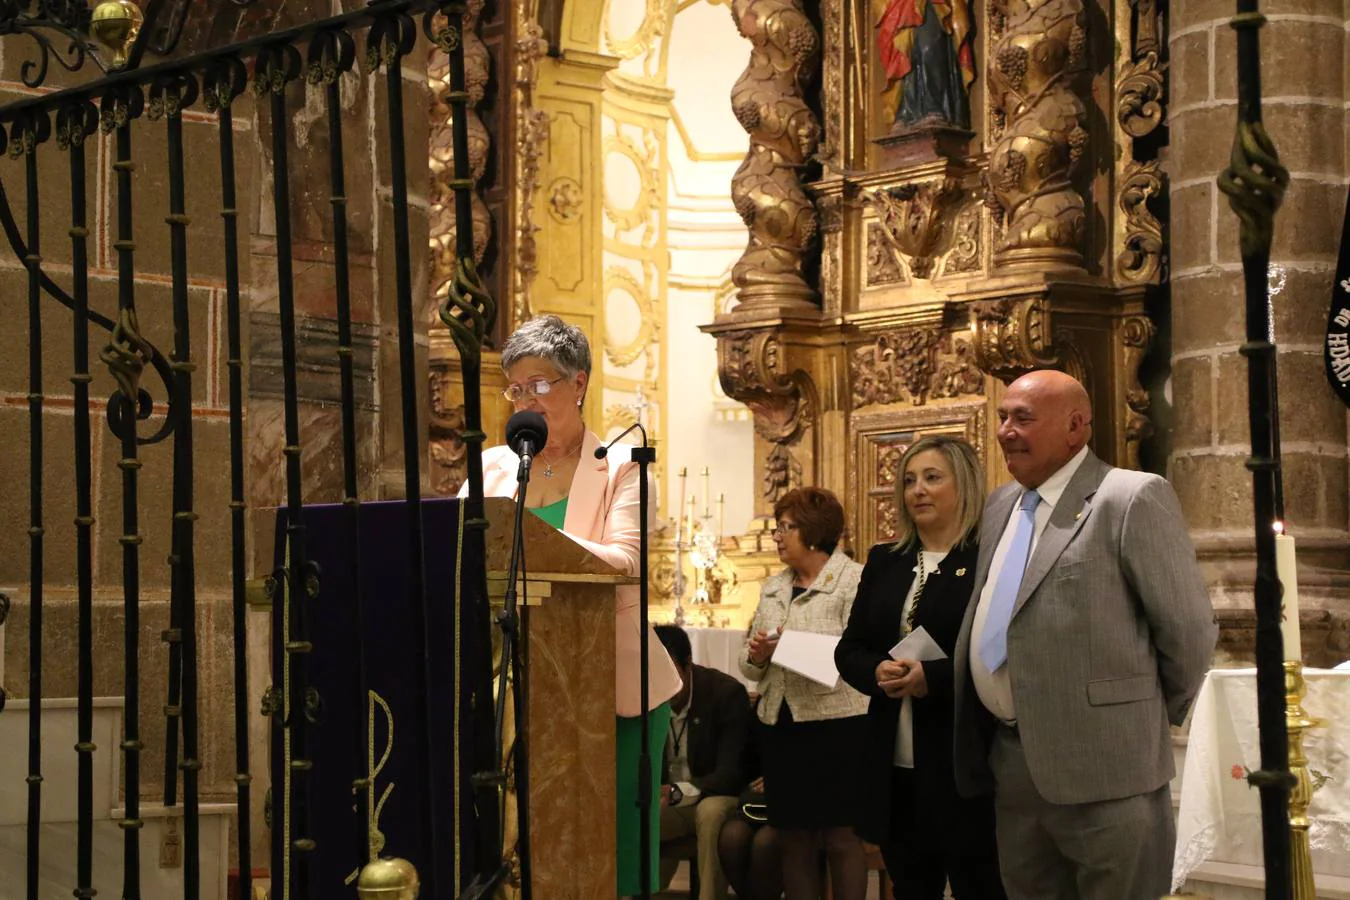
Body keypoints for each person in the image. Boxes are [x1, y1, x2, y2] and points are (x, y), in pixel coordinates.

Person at [952, 369, 1217, 900]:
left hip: (1109, 773)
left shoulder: (1131, 498)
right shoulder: (1001, 505)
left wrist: (1131, 720)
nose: (1005, 430)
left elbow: (1187, 631)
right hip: (1014, 766)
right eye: (1003, 417)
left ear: (1075, 427)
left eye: (1023, 418)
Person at [472, 314, 683, 897]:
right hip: (507, 686)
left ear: (579, 383)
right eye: (516, 388)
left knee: (612, 847)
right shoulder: (489, 469)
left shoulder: (621, 467)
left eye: (541, 385)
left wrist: (536, 545)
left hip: (610, 685)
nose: (527, 400)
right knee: (521, 845)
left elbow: (627, 563)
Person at [836, 436, 1004, 898]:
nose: (918, 491)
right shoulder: (885, 561)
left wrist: (933, 678)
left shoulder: (990, 561)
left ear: (964, 485)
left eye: (932, 478)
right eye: (909, 480)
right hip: (895, 766)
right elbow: (849, 649)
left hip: (964, 764)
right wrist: (877, 672)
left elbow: (1004, 657)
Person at [738, 487, 870, 900]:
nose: (777, 536)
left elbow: (854, 656)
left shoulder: (855, 580)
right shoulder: (774, 586)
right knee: (791, 838)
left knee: (841, 838)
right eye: (777, 528)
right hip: (782, 725)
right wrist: (758, 656)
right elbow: (748, 665)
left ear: (814, 531)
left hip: (838, 728)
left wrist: (786, 647)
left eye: (786, 528)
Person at [654, 624, 750, 900]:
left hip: (717, 793)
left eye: (669, 671)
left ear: (688, 665)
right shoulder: (643, 696)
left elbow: (731, 774)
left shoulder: (725, 694)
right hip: (669, 799)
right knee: (636, 815)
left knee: (709, 812)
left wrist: (677, 790)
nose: (661, 682)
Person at [716, 694, 783, 900]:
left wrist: (782, 777)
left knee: (766, 842)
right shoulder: (765, 704)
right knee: (732, 837)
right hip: (758, 804)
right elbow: (745, 761)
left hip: (799, 802)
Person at [875, 0, 976, 129]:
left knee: (930, 49)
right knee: (906, 56)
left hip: (933, 4)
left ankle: (934, 107)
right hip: (901, 5)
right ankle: (907, 111)